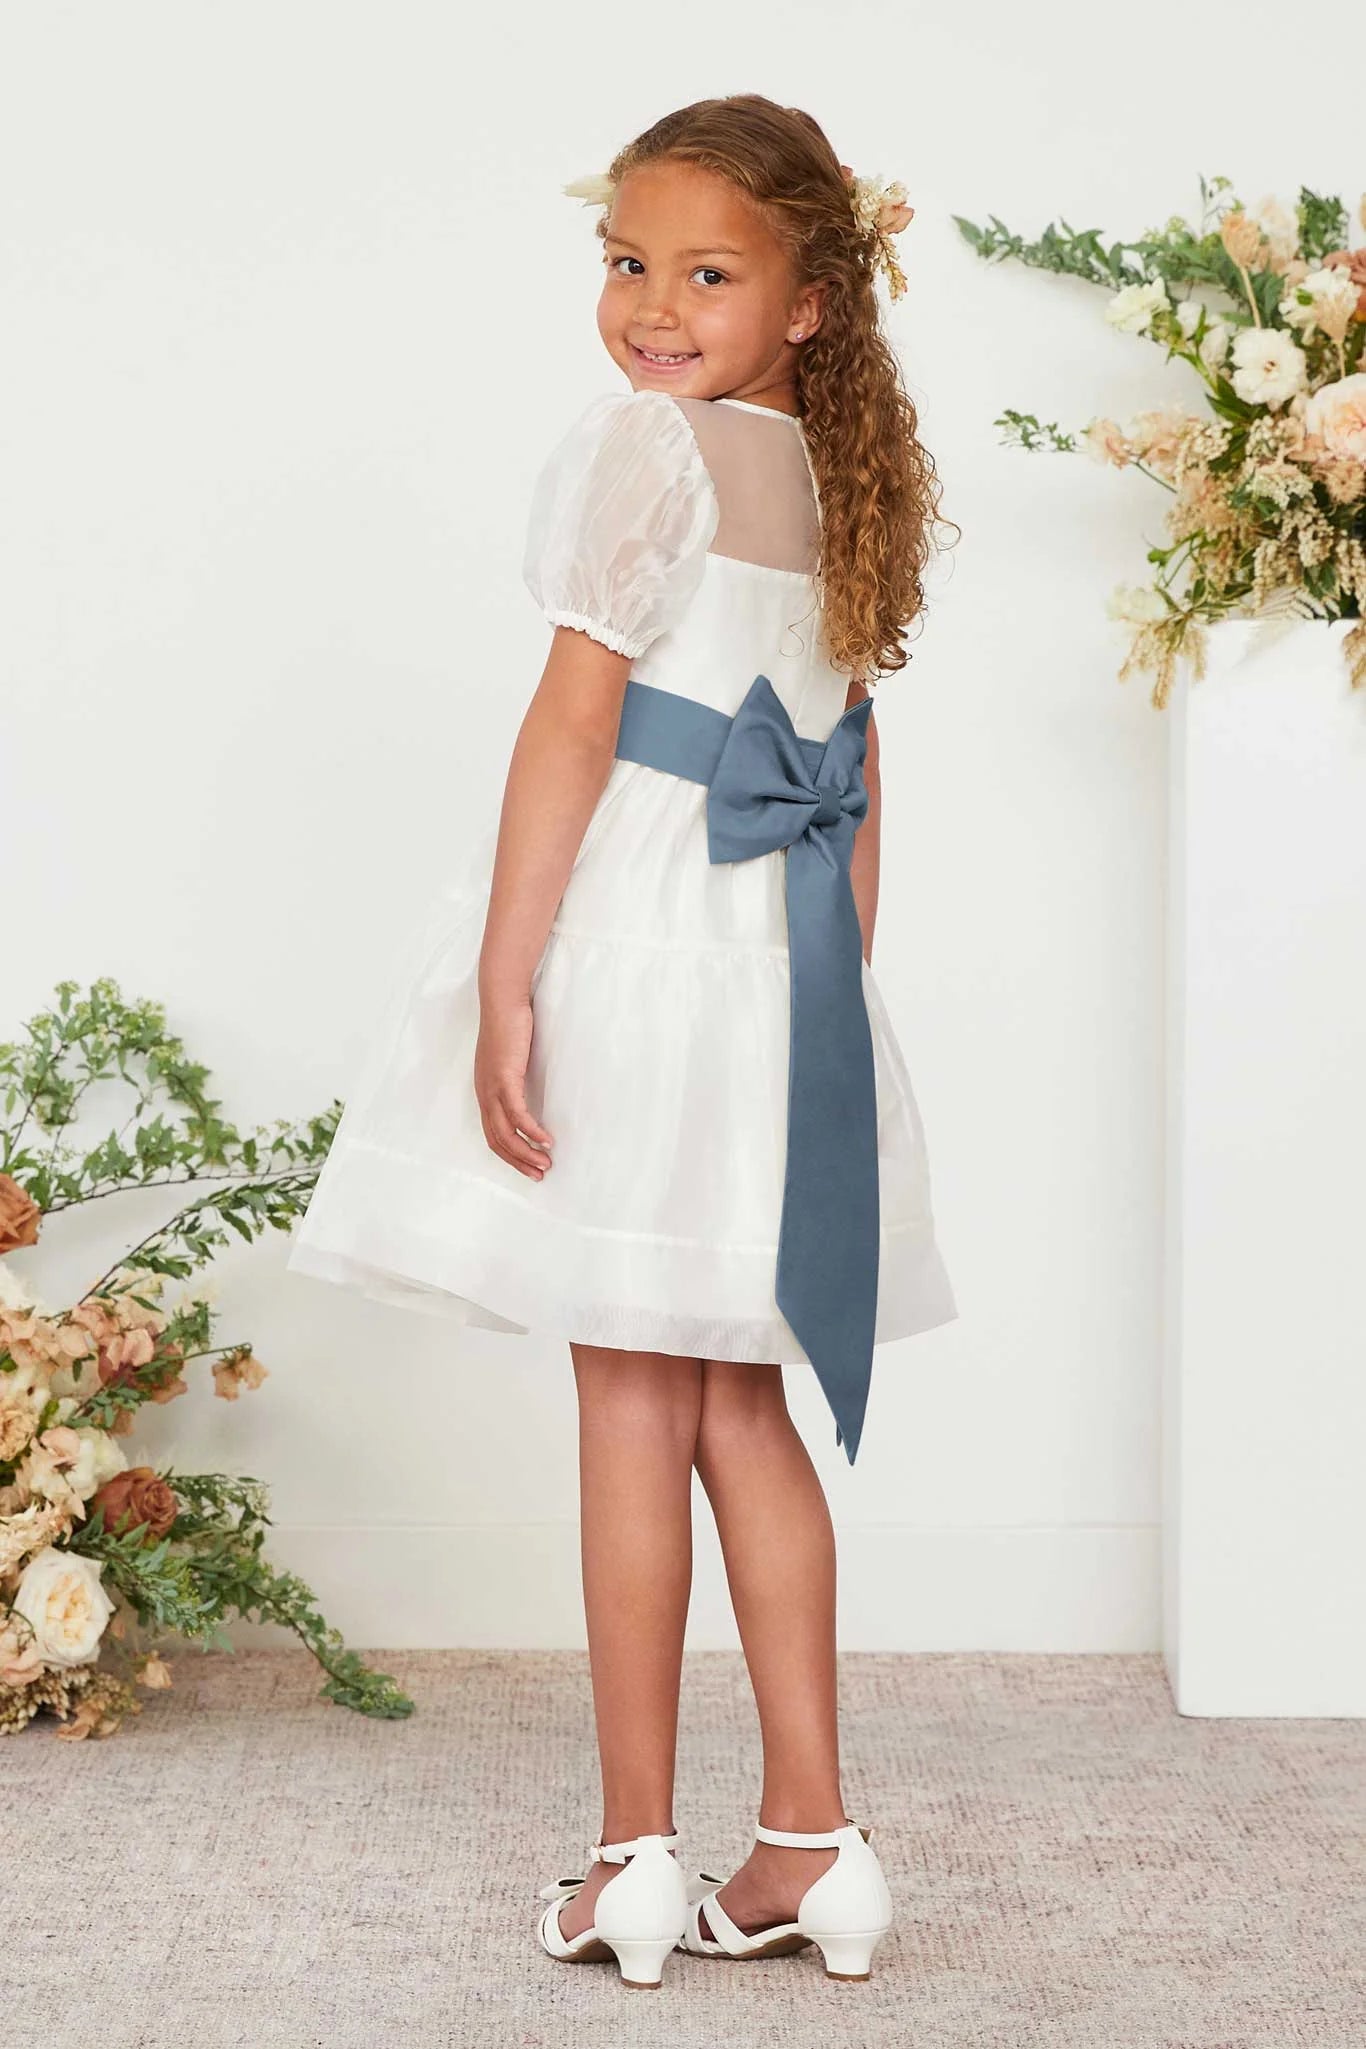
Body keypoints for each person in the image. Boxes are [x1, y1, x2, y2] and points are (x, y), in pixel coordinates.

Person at [287, 92, 959, 1991]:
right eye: (624, 262)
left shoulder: (642, 449)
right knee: (742, 1400)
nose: (651, 306)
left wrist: (510, 975)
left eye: (706, 273)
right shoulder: (842, 481)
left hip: (641, 949)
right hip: (778, 974)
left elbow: (574, 723)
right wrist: (821, 1003)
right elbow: (851, 772)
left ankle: (631, 1856)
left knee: (631, 1403)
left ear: (808, 301)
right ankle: (812, 1839)